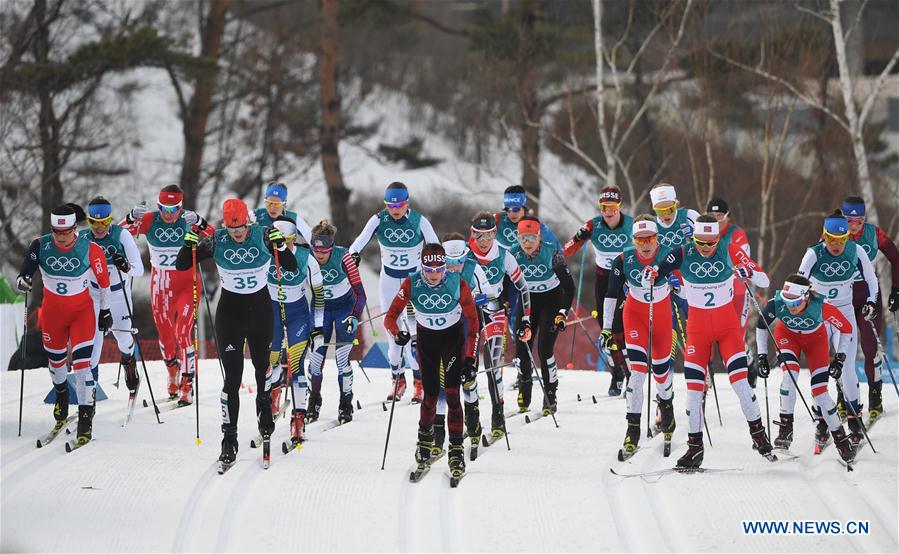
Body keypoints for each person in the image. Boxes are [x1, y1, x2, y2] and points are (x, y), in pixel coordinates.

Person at [175, 198, 301, 469]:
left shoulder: (264, 235)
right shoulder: (217, 240)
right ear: (225, 227)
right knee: (232, 379)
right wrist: (188, 242)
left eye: (242, 228)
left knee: (262, 370)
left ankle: (265, 421)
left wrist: (280, 246)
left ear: (249, 222)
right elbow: (182, 264)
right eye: (233, 230)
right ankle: (228, 440)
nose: (238, 234)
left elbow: (291, 267)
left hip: (260, 313)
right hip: (230, 316)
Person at [669, 215, 774, 468]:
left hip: (727, 329)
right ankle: (695, 448)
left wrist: (748, 271)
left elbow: (765, 280)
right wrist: (672, 284)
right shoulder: (684, 252)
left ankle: (759, 436)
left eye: (711, 243)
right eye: (700, 243)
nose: (705, 249)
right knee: (693, 390)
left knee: (740, 384)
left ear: (718, 238)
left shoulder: (729, 249)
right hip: (697, 329)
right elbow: (673, 284)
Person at [16, 205, 113, 446]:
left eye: (65, 232)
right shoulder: (40, 244)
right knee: (57, 363)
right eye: (56, 232)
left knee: (82, 367)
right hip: (52, 315)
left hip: (82, 314)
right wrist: (23, 280)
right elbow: (25, 270)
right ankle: (61, 395)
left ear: (74, 229)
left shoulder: (90, 249)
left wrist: (105, 311)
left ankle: (85, 417)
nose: (60, 237)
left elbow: (104, 283)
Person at [384, 243, 480, 478]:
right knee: (429, 395)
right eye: (429, 269)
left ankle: (456, 451)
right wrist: (398, 334)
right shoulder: (412, 283)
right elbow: (390, 318)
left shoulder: (457, 282)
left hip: (452, 341)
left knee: (452, 394)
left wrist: (469, 359)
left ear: (445, 267)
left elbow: (474, 325)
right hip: (427, 343)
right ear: (422, 267)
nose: (434, 275)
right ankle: (424, 445)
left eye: (439, 269)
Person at [122, 184, 214, 405]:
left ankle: (187, 382)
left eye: (175, 209)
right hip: (161, 285)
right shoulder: (151, 220)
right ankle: (172, 371)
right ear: (158, 205)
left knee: (183, 331)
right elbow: (118, 233)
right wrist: (132, 217)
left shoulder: (187, 220)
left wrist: (200, 223)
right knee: (165, 335)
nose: (169, 214)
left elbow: (217, 237)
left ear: (181, 207)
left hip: (187, 285)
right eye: (164, 208)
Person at [349, 182, 439, 402]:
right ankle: (398, 380)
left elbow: (436, 247)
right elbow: (358, 243)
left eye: (399, 205)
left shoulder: (419, 221)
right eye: (390, 205)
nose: (395, 210)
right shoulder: (379, 219)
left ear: (407, 202)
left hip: (414, 283)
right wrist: (353, 255)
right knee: (393, 334)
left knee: (415, 336)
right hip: (389, 282)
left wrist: (437, 267)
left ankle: (419, 382)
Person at [755, 275, 856, 462]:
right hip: (787, 337)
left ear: (806, 296)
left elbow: (847, 328)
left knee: (820, 394)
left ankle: (841, 439)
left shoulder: (823, 306)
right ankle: (785, 430)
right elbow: (761, 326)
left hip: (816, 342)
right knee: (789, 376)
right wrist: (761, 355)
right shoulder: (776, 303)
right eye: (787, 301)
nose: (791, 306)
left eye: (796, 302)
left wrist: (840, 357)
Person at [797, 212, 878, 437]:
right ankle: (821, 416)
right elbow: (798, 284)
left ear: (847, 238)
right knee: (819, 368)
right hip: (819, 315)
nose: (836, 245)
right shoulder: (813, 254)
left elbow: (872, 280)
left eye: (840, 240)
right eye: (831, 239)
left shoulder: (856, 250)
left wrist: (872, 302)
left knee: (848, 369)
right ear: (824, 236)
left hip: (844, 314)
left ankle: (854, 415)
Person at [602, 216, 677, 458]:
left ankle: (667, 413)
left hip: (662, 314)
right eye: (640, 240)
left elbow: (688, 284)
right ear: (633, 240)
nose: (645, 245)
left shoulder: (669, 254)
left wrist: (678, 284)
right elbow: (612, 294)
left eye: (650, 239)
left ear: (658, 239)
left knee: (661, 371)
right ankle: (632, 431)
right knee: (637, 372)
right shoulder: (624, 259)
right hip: (635, 315)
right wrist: (605, 327)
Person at [468, 213, 532, 442]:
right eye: (478, 235)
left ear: (495, 234)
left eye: (488, 235)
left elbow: (523, 288)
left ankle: (498, 417)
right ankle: (472, 418)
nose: (483, 241)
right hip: (470, 312)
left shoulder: (504, 254)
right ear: (472, 233)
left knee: (492, 363)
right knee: (469, 365)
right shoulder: (464, 254)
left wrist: (525, 319)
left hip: (494, 309)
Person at [563, 185, 632, 395]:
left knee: (621, 326)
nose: (608, 212)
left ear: (619, 206)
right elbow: (567, 250)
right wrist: (579, 237)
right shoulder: (593, 224)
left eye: (612, 207)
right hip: (603, 279)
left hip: (625, 279)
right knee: (606, 327)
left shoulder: (631, 225)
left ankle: (632, 373)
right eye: (604, 207)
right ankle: (617, 371)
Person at [264, 216, 324, 440]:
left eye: (289, 241)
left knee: (296, 363)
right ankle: (274, 393)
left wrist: (318, 328)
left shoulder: (306, 258)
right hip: (271, 313)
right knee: (271, 361)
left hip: (297, 315)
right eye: (280, 241)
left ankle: (298, 418)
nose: (285, 246)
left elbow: (319, 295)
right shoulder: (265, 253)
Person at [509, 216, 575, 415]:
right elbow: (504, 282)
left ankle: (550, 393)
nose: (527, 243)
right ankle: (524, 389)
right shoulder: (512, 254)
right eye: (522, 239)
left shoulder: (551, 254)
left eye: (531, 238)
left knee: (545, 348)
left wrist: (563, 313)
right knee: (522, 348)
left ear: (539, 236)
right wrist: (502, 301)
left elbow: (569, 287)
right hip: (528, 302)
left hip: (551, 301)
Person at [841, 196, 899, 421]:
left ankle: (875, 396)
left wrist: (896, 290)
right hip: (842, 296)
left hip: (868, 294)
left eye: (859, 221)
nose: (854, 227)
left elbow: (895, 257)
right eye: (849, 221)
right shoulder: (834, 230)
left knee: (869, 346)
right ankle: (843, 396)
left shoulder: (874, 233)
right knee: (842, 348)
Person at [80, 197, 144, 394]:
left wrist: (124, 265)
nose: (99, 228)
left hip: (118, 296)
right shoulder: (82, 238)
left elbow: (139, 270)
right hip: (93, 296)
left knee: (124, 340)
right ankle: (89, 394)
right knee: (93, 345)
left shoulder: (121, 235)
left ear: (110, 219)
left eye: (104, 222)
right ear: (89, 220)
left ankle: (130, 365)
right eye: (94, 222)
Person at [307, 220, 366, 425]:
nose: (320, 256)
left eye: (324, 252)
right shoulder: (308, 257)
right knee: (315, 360)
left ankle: (345, 404)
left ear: (332, 248)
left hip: (344, 308)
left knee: (342, 359)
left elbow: (360, 294)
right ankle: (314, 400)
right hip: (320, 309)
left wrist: (354, 316)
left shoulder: (344, 257)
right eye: (316, 251)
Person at [438, 232, 489, 451]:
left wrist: (480, 297)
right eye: (450, 262)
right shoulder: (435, 271)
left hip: (469, 326)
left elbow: (489, 292)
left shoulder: (472, 268)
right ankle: (437, 432)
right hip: (444, 329)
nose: (455, 267)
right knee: (441, 380)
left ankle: (473, 422)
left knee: (467, 377)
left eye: (459, 261)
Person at [707, 197, 757, 385]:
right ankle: (707, 369)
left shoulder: (736, 233)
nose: (716, 221)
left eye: (720, 216)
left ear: (727, 216)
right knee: (708, 332)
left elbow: (742, 257)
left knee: (734, 337)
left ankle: (748, 363)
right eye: (712, 216)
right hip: (715, 292)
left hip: (737, 292)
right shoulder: (704, 233)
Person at [650, 183, 699, 364]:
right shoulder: (651, 224)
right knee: (667, 330)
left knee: (695, 326)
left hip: (691, 278)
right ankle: (666, 375)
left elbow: (712, 244)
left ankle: (703, 372)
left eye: (670, 209)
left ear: (676, 204)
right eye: (660, 211)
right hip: (666, 279)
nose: (666, 215)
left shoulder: (690, 217)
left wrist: (695, 236)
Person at [495, 185, 562, 251]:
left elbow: (558, 250)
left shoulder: (537, 226)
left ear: (524, 207)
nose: (512, 213)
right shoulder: (497, 220)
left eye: (516, 209)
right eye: (508, 209)